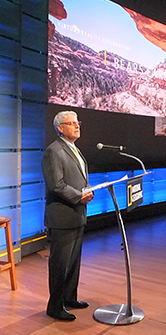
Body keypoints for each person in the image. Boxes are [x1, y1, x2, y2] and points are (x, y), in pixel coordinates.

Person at [42, 111, 94, 321]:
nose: (77, 126)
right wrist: (79, 196)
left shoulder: (75, 149)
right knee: (60, 264)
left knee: (73, 262)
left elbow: (80, 180)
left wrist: (88, 190)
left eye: (77, 122)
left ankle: (70, 298)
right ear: (60, 128)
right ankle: (55, 306)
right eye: (71, 123)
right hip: (62, 216)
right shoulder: (54, 151)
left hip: (77, 214)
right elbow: (56, 184)